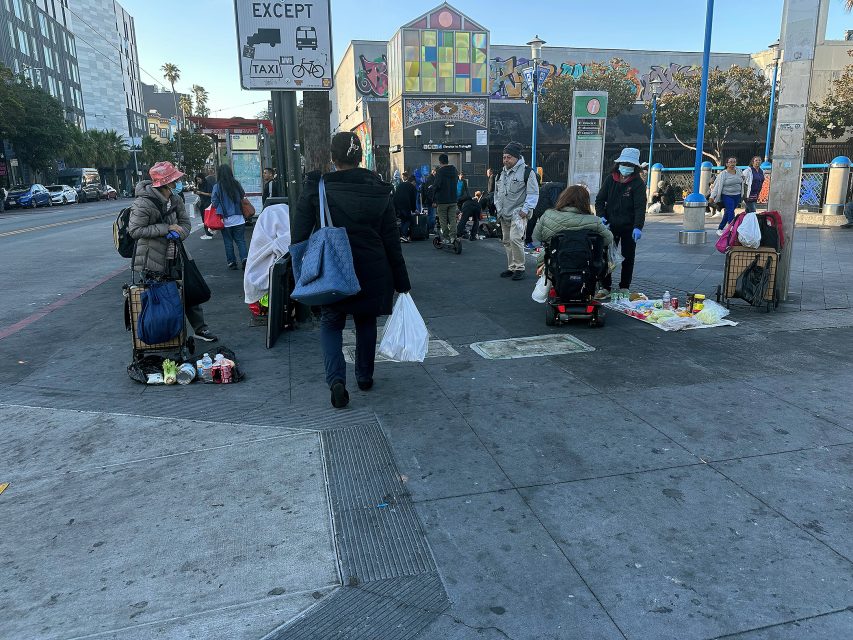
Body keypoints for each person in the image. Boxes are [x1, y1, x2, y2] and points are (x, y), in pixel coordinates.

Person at [292, 132, 411, 409]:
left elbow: (298, 235)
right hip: (373, 266)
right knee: (366, 322)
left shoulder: (319, 188)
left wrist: (300, 273)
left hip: (333, 267)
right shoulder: (379, 188)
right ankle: (365, 376)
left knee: (331, 322)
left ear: (332, 158)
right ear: (360, 157)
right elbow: (391, 239)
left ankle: (336, 381)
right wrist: (402, 281)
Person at [127, 161, 217, 343]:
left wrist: (179, 232)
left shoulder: (175, 199)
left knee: (189, 291)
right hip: (152, 259)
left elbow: (185, 224)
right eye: (175, 180)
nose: (178, 183)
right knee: (159, 297)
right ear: (166, 183)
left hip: (177, 255)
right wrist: (166, 228)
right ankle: (166, 333)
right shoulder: (143, 203)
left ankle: (200, 328)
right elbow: (135, 231)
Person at [594, 147, 646, 297]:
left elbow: (639, 207)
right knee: (607, 256)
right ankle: (605, 287)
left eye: (630, 165)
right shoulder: (611, 179)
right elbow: (599, 200)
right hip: (610, 225)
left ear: (634, 167)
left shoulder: (637, 183)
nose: (626, 168)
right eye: (624, 164)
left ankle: (624, 286)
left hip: (629, 227)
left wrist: (638, 227)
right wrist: (602, 216)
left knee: (628, 257)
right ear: (619, 164)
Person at [533, 184, 613, 273]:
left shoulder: (548, 215)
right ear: (585, 201)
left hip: (555, 261)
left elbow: (538, 236)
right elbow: (608, 239)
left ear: (563, 197)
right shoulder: (595, 221)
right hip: (585, 262)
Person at [494, 141, 539, 280]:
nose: (505, 160)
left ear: (516, 157)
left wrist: (525, 209)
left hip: (518, 213)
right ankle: (512, 267)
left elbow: (533, 193)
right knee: (507, 241)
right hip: (503, 213)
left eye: (509, 157)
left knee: (515, 239)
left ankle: (519, 268)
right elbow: (497, 193)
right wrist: (498, 208)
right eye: (504, 157)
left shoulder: (527, 172)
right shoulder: (500, 174)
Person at [211, 164, 249, 270]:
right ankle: (244, 258)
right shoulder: (236, 184)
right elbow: (242, 196)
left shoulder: (217, 186)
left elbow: (214, 203)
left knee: (228, 241)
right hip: (239, 218)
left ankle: (232, 262)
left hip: (225, 219)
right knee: (241, 240)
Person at [526, 180, 565, 251]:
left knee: (532, 221)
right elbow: (555, 201)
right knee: (544, 224)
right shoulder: (558, 188)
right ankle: (544, 242)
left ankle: (528, 241)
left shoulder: (558, 186)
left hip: (539, 202)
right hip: (543, 205)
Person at [710, 157, 745, 235]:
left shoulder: (739, 171)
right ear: (727, 164)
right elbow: (717, 186)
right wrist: (712, 196)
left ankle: (720, 228)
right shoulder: (723, 174)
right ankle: (731, 228)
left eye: (734, 162)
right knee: (731, 211)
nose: (733, 163)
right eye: (731, 162)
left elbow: (743, 181)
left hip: (737, 195)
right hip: (726, 195)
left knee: (728, 212)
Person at [432, 154, 460, 246]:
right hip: (453, 199)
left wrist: (433, 199)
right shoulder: (455, 170)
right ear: (448, 161)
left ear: (440, 162)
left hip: (442, 200)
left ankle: (446, 238)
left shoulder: (440, 172)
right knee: (452, 219)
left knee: (443, 220)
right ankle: (453, 237)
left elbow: (436, 186)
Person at [393, 171, 417, 242]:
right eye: (415, 183)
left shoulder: (401, 184)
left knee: (403, 219)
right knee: (407, 220)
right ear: (413, 182)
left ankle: (401, 236)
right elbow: (413, 199)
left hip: (397, 205)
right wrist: (414, 210)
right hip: (405, 206)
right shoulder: (412, 187)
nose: (415, 184)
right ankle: (404, 235)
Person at [195, 167, 217, 239]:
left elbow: (211, 194)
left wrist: (201, 192)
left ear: (202, 178)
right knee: (204, 218)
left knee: (207, 218)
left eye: (199, 179)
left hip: (207, 203)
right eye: (197, 180)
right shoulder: (199, 185)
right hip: (202, 203)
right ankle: (207, 231)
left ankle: (208, 231)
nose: (198, 181)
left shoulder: (207, 184)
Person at [422, 168, 436, 235]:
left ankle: (426, 230)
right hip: (430, 201)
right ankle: (430, 230)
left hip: (425, 201)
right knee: (432, 216)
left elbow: (426, 191)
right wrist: (433, 201)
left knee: (427, 215)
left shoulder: (427, 179)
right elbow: (431, 192)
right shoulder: (431, 179)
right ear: (433, 171)